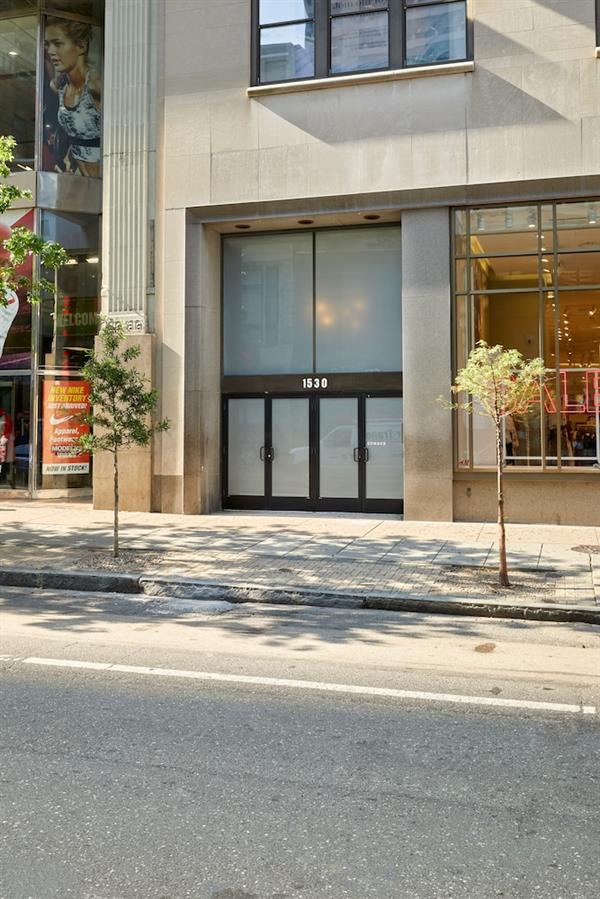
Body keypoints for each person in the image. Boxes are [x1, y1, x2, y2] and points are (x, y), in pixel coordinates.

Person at [45, 18, 101, 178]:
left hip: (105, 182)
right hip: (79, 178)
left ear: (81, 46)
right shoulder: (58, 87)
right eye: (48, 44)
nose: (51, 51)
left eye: (58, 43)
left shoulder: (96, 85)